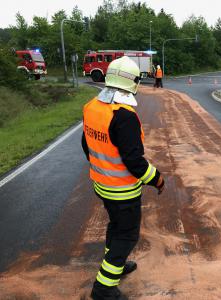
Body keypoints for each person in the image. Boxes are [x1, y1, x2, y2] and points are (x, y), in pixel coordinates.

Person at [81, 56, 165, 300]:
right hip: (121, 190)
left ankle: (114, 263)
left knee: (116, 226)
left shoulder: (92, 107)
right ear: (133, 83)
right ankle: (104, 288)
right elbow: (135, 161)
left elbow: (86, 144)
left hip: (101, 183)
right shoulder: (124, 116)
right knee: (127, 234)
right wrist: (157, 179)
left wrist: (101, 167)